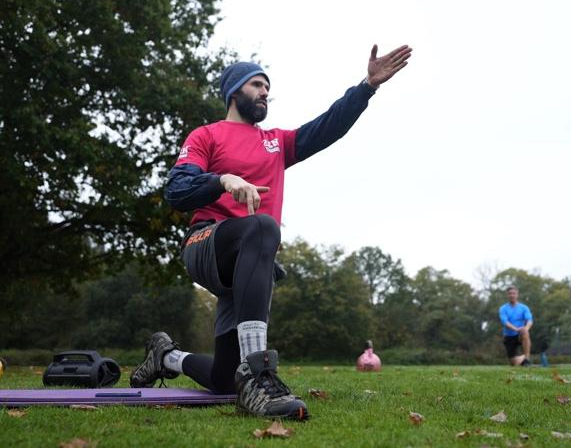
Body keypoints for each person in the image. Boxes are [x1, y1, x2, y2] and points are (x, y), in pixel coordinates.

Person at [129, 44, 412, 420]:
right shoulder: (207, 136)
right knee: (263, 226)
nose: (265, 92)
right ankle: (258, 375)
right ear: (234, 91)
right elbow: (177, 191)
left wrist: (366, 87)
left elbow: (327, 126)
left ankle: (165, 356)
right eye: (257, 84)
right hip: (205, 244)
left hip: (248, 261)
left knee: (224, 380)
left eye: (268, 87)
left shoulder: (277, 142)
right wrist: (223, 180)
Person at [498, 286, 534, 366]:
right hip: (509, 336)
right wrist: (516, 329)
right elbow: (505, 322)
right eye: (510, 294)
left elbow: (530, 320)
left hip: (520, 334)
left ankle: (527, 360)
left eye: (514, 293)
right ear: (507, 295)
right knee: (514, 363)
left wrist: (526, 328)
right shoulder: (503, 308)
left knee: (525, 332)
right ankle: (523, 358)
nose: (512, 295)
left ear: (517, 295)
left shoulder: (524, 308)